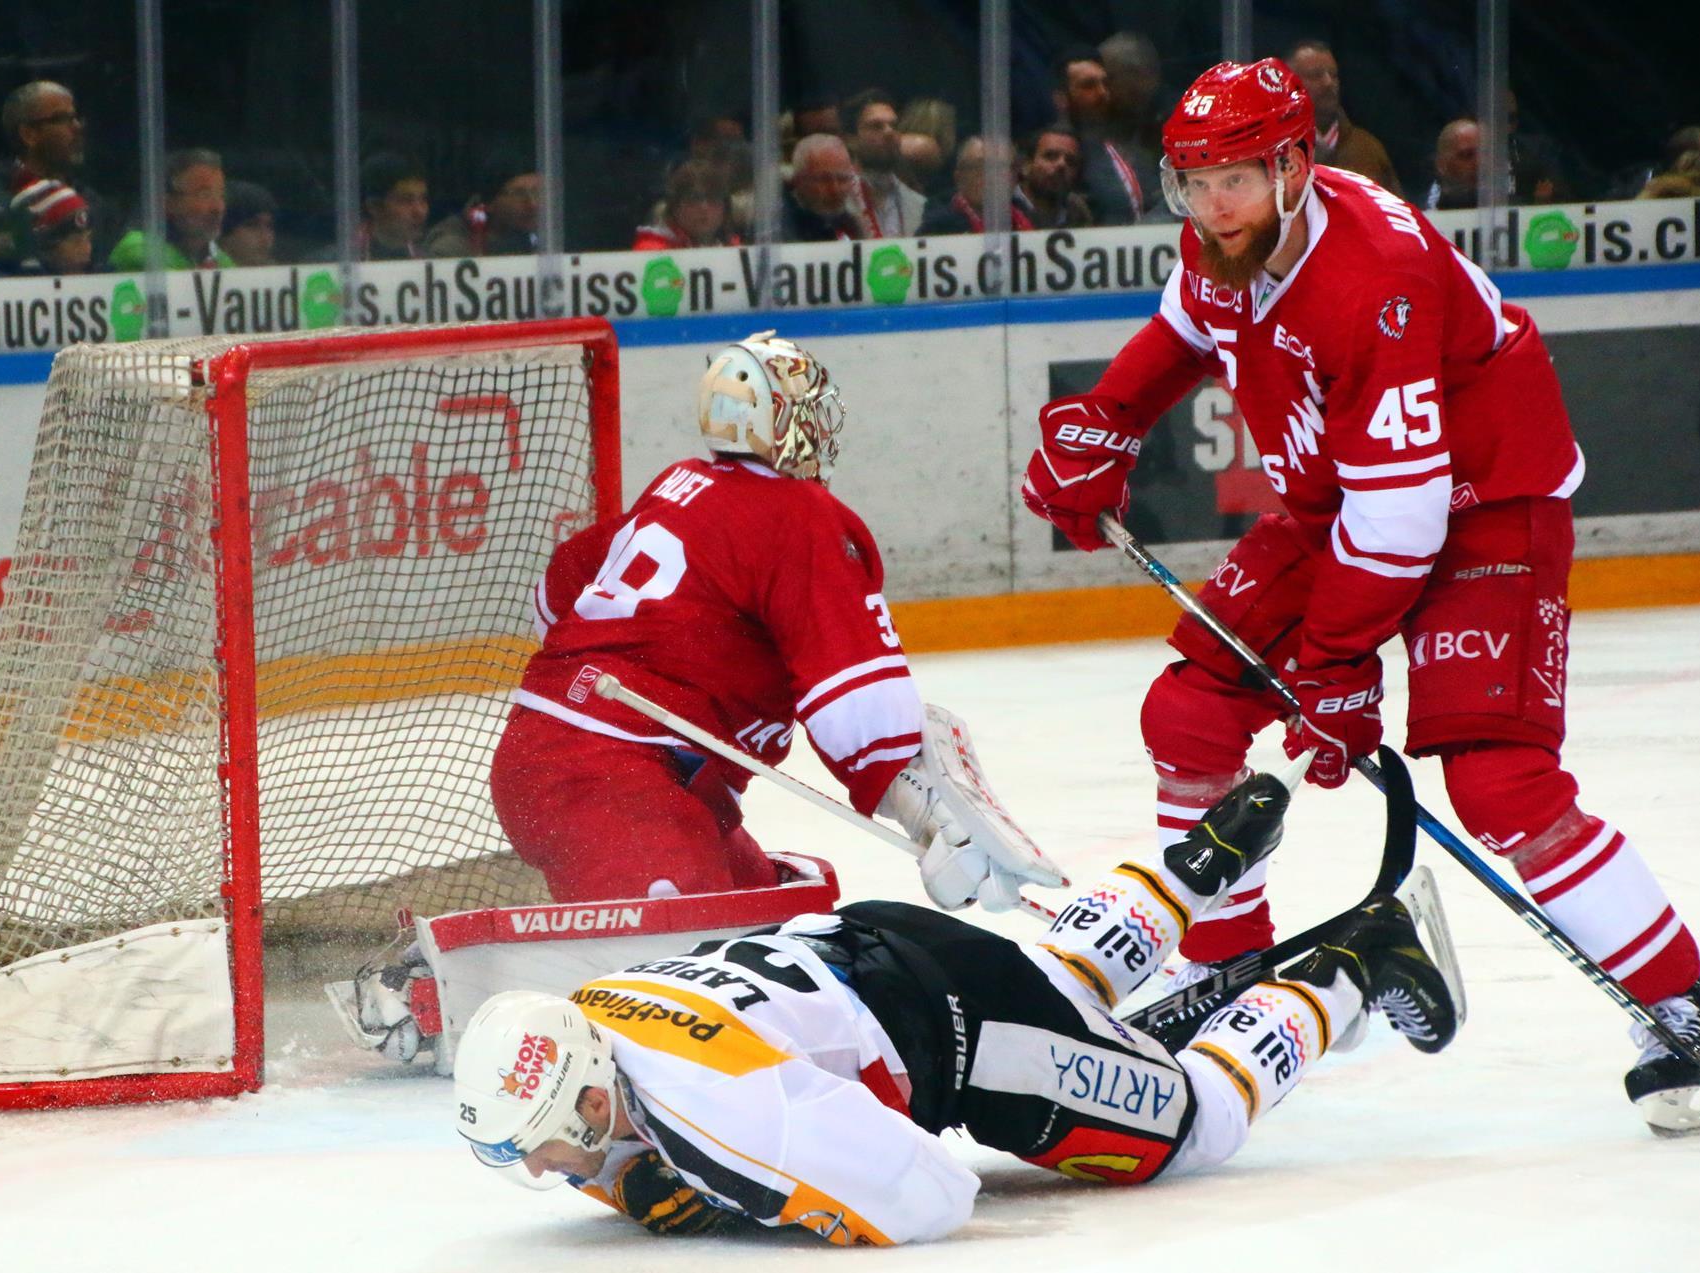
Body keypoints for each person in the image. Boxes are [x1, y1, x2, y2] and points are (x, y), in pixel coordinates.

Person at [1020, 58, 1700, 1135]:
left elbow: (1400, 522)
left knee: (1500, 787)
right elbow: (1182, 329)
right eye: (1190, 183)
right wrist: (1107, 421)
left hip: (1484, 502)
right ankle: (1234, 976)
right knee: (1190, 713)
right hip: (1337, 510)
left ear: (1295, 165)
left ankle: (1684, 1010)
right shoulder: (1223, 241)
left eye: (1235, 181)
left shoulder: (1374, 276)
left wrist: (1337, 669)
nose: (1210, 209)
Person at [452, 767, 1462, 1243]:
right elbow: (635, 1129)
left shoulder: (730, 1113)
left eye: (543, 1148)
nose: (544, 1172)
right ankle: (1195, 862)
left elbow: (931, 1193)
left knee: (1189, 1124)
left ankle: (1353, 963)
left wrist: (746, 1208)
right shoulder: (594, 1011)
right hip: (878, 941)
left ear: (591, 1103)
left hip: (965, 1038)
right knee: (1056, 982)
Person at [492, 331, 1055, 910]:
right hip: (611, 778)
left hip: (571, 761)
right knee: (680, 967)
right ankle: (419, 991)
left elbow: (557, 593)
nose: (821, 424)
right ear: (777, 420)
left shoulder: (680, 483)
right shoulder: (798, 514)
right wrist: (930, 816)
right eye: (807, 408)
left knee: (778, 914)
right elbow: (855, 694)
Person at [0, 81, 115, 270]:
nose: (77, 127)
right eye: (62, 119)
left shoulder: (93, 202)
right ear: (29, 134)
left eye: (76, 118)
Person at [1283, 39, 1402, 196]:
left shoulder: (1368, 150)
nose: (1328, 82)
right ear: (1289, 85)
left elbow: (1395, 215)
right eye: (1315, 75)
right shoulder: (1274, 151)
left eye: (1333, 75)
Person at [1053, 48, 1154, 225]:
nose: (1103, 93)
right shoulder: (1057, 155)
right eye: (1088, 86)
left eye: (1105, 84)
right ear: (1061, 99)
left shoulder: (1122, 144)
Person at [107, 148, 234, 270]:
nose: (218, 208)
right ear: (168, 203)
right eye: (204, 195)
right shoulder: (141, 250)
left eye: (221, 195)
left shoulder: (217, 257)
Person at [842, 88, 925, 238]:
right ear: (851, 139)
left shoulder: (919, 205)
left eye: (894, 126)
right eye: (876, 126)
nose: (889, 132)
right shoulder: (838, 202)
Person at [915, 136, 1035, 235]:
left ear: (1015, 178)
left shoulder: (1035, 222)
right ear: (959, 177)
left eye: (1001, 167)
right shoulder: (936, 230)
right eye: (980, 166)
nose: (991, 176)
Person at [422, 160, 540, 258]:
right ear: (489, 203)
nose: (533, 204)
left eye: (538, 191)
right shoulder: (451, 247)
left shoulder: (548, 235)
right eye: (518, 194)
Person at [632, 160, 739, 250]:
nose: (704, 208)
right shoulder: (651, 251)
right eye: (693, 199)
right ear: (675, 207)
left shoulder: (737, 249)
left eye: (713, 199)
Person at [780, 134, 863, 241]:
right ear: (798, 181)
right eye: (824, 180)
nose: (835, 189)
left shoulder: (854, 223)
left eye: (842, 179)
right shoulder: (779, 228)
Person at [5, 179, 92, 276]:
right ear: (48, 247)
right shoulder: (22, 287)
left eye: (89, 238)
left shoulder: (101, 281)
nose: (87, 249)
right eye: (76, 241)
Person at [1016, 123, 1095, 229]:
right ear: (1025, 165)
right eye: (1050, 156)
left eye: (1071, 161)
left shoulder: (1079, 212)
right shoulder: (1000, 209)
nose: (1061, 165)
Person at [358, 152, 430, 260]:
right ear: (374, 207)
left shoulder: (432, 259)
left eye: (423, 199)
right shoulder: (334, 264)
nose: (420, 211)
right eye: (406, 201)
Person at [218, 180, 277, 267]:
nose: (265, 237)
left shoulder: (281, 276)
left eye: (269, 226)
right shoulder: (204, 273)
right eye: (252, 225)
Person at [1425, 118, 1481, 210]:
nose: (1479, 162)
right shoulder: (1425, 214)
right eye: (1467, 155)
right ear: (1441, 165)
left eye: (1486, 153)